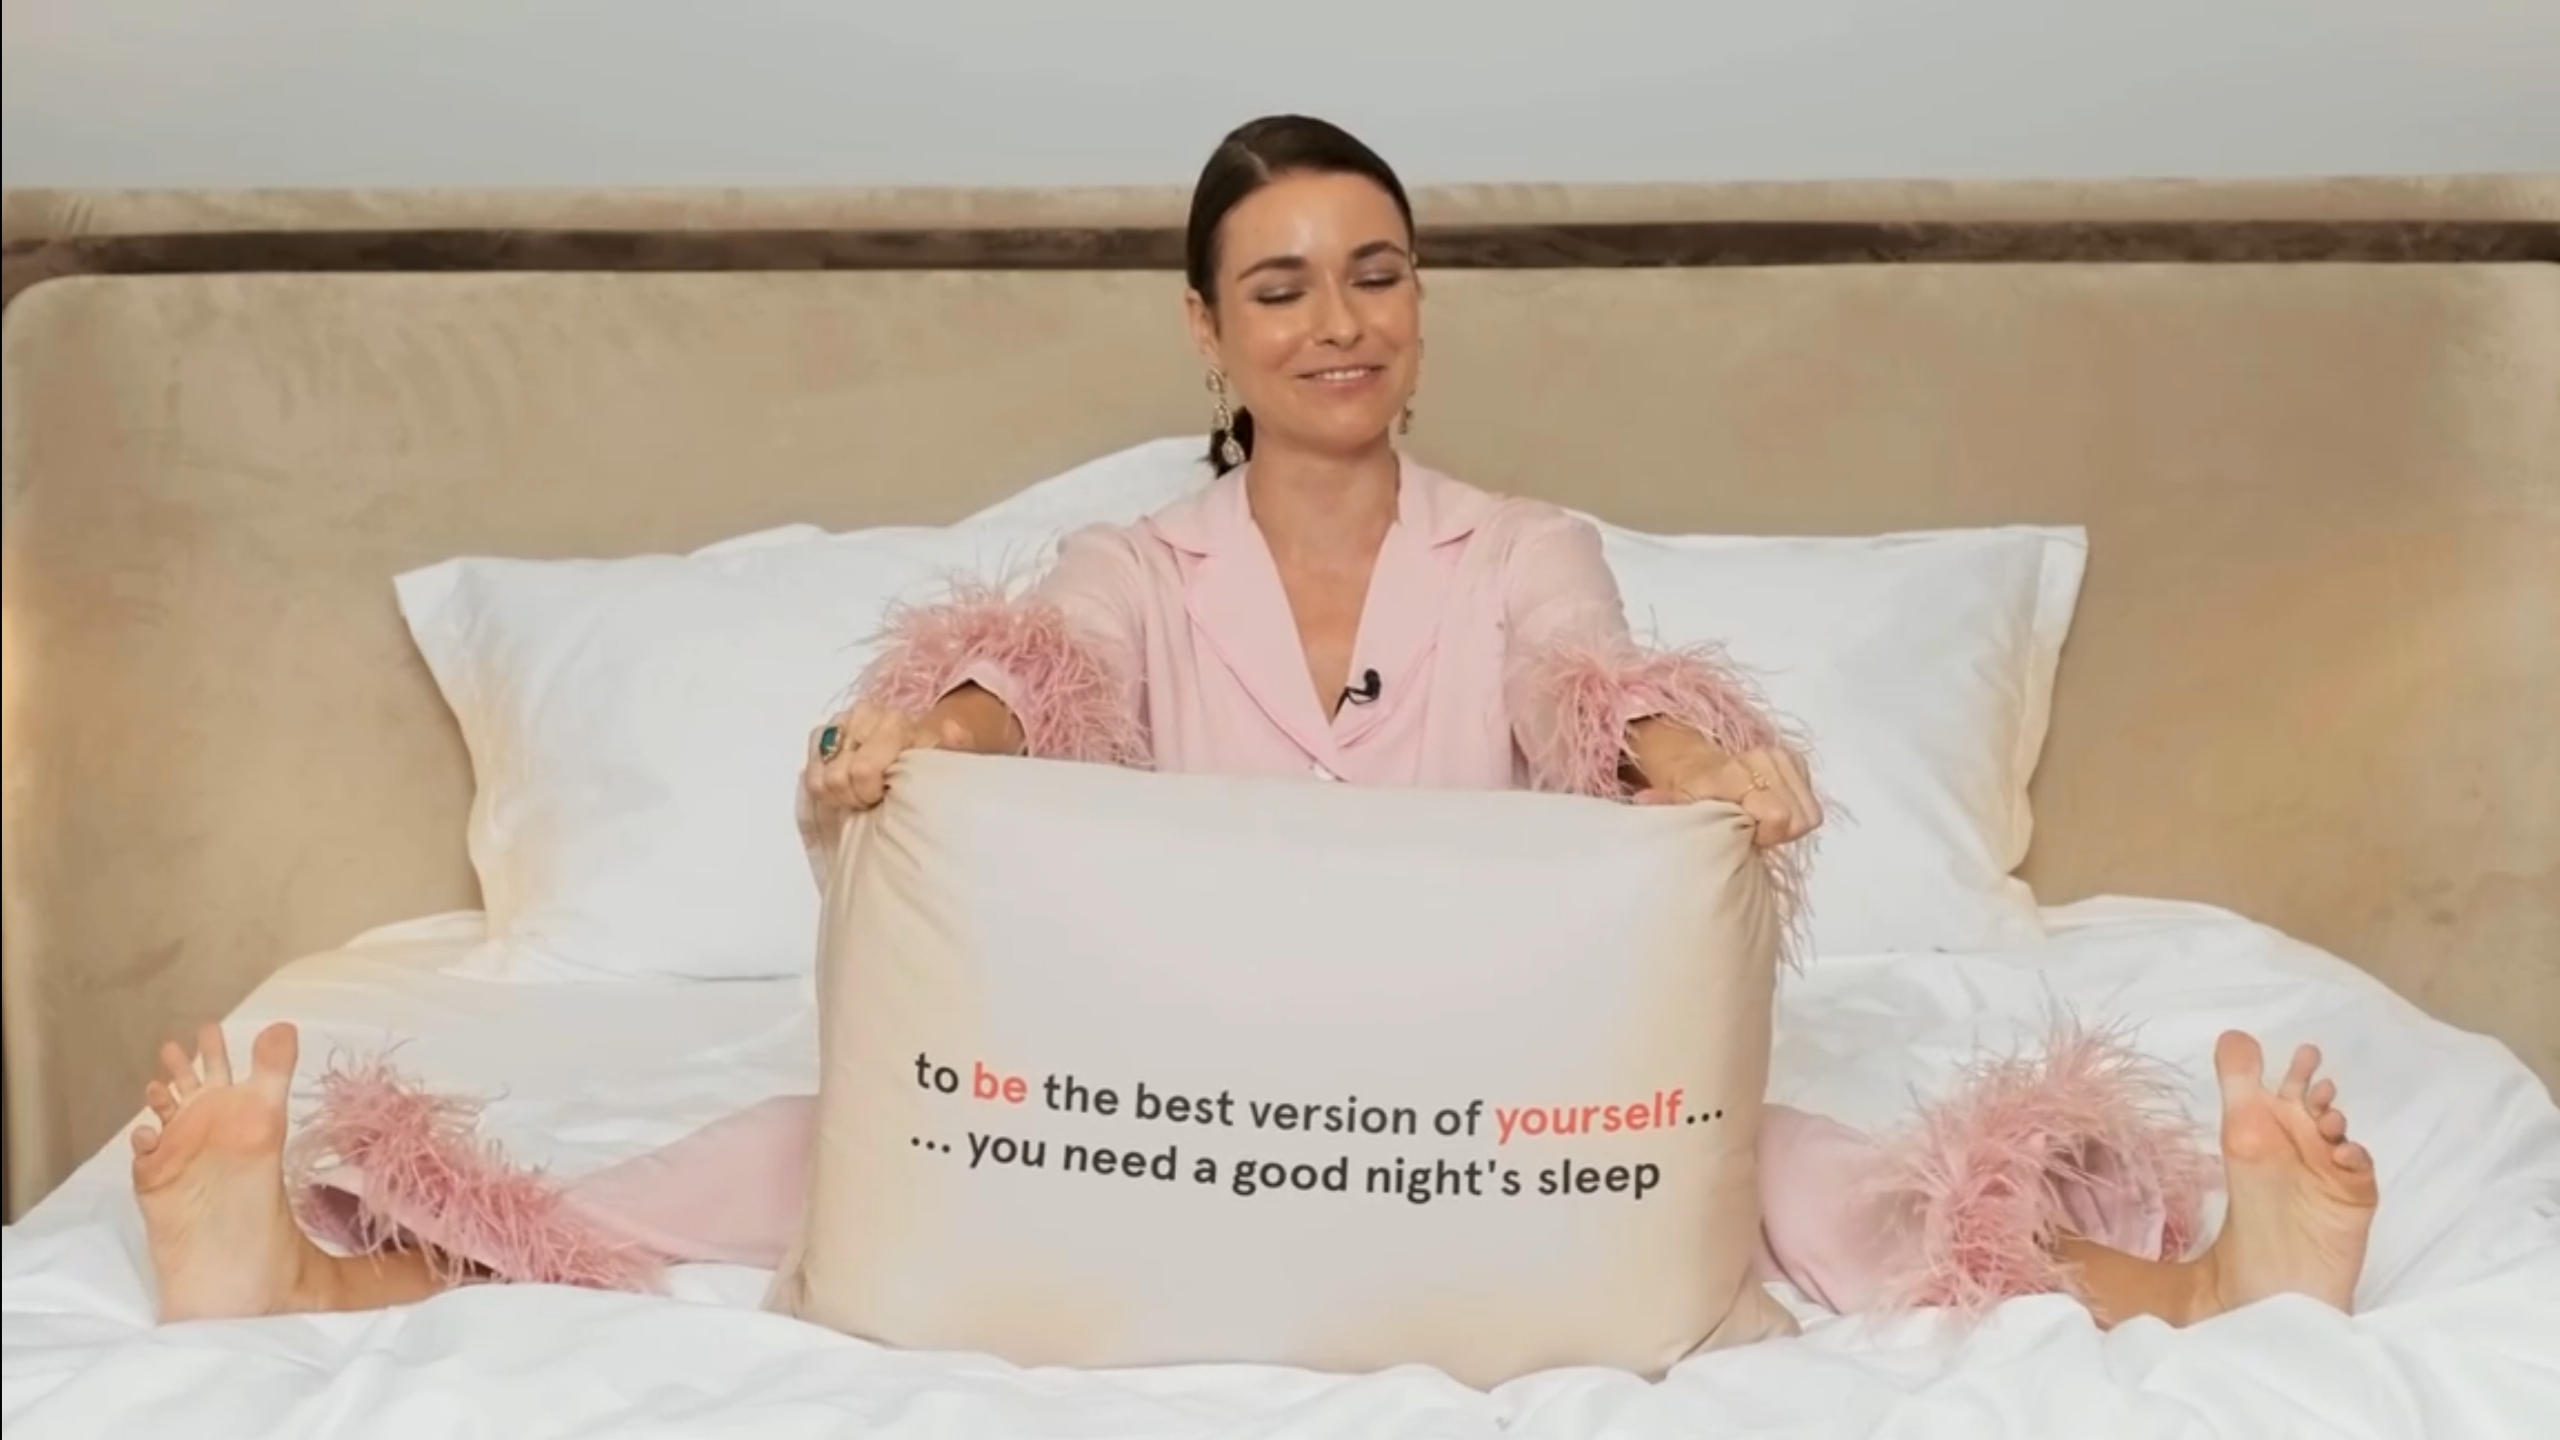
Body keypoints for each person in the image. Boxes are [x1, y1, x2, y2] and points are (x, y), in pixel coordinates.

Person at [127, 115, 2379, 1337]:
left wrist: (1707, 766)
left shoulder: (1523, 547)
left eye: (1375, 273)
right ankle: (321, 1264)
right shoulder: (1132, 565)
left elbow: (1589, 701)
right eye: (1281, 286)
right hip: (1172, 1075)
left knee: (1782, 1179)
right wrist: (924, 735)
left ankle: (2209, 1279)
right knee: (811, 1148)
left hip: (1492, 1074)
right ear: (1207, 332)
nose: (1338, 321)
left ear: (1421, 306)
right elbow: (1032, 679)